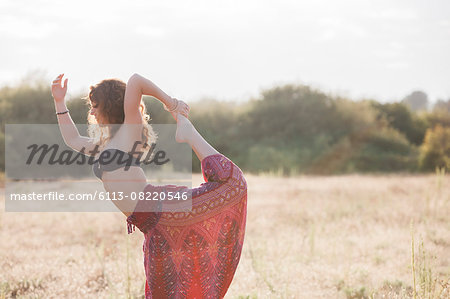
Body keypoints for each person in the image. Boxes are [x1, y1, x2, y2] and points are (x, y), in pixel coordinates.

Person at [51, 73, 248, 298]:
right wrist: (59, 101)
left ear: (109, 105)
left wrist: (173, 106)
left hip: (163, 208)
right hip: (153, 225)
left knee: (233, 184)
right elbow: (72, 140)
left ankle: (188, 132)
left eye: (95, 106)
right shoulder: (104, 144)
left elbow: (136, 80)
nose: (92, 111)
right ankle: (188, 131)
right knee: (163, 291)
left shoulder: (129, 130)